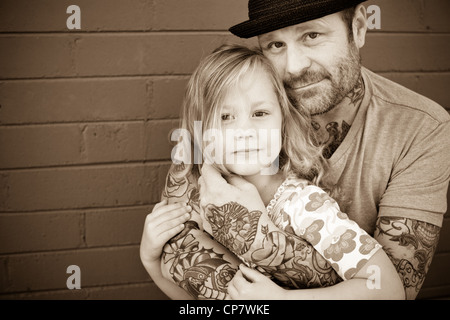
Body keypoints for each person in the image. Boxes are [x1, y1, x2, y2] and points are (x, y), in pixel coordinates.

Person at [141, 0, 450, 300]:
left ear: (358, 27)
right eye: (275, 44)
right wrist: (152, 263)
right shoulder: (204, 173)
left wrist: (259, 242)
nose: (294, 66)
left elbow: (391, 289)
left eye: (312, 35)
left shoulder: (304, 205)